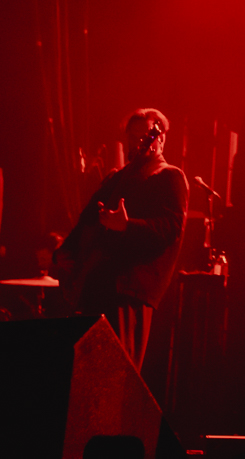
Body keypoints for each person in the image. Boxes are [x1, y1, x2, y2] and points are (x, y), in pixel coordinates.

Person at [54, 108, 188, 370]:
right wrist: (64, 252)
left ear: (160, 139)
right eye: (132, 137)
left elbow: (170, 228)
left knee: (116, 372)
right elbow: (88, 218)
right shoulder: (119, 178)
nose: (137, 143)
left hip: (129, 289)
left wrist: (127, 226)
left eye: (144, 137)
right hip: (98, 285)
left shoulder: (170, 177)